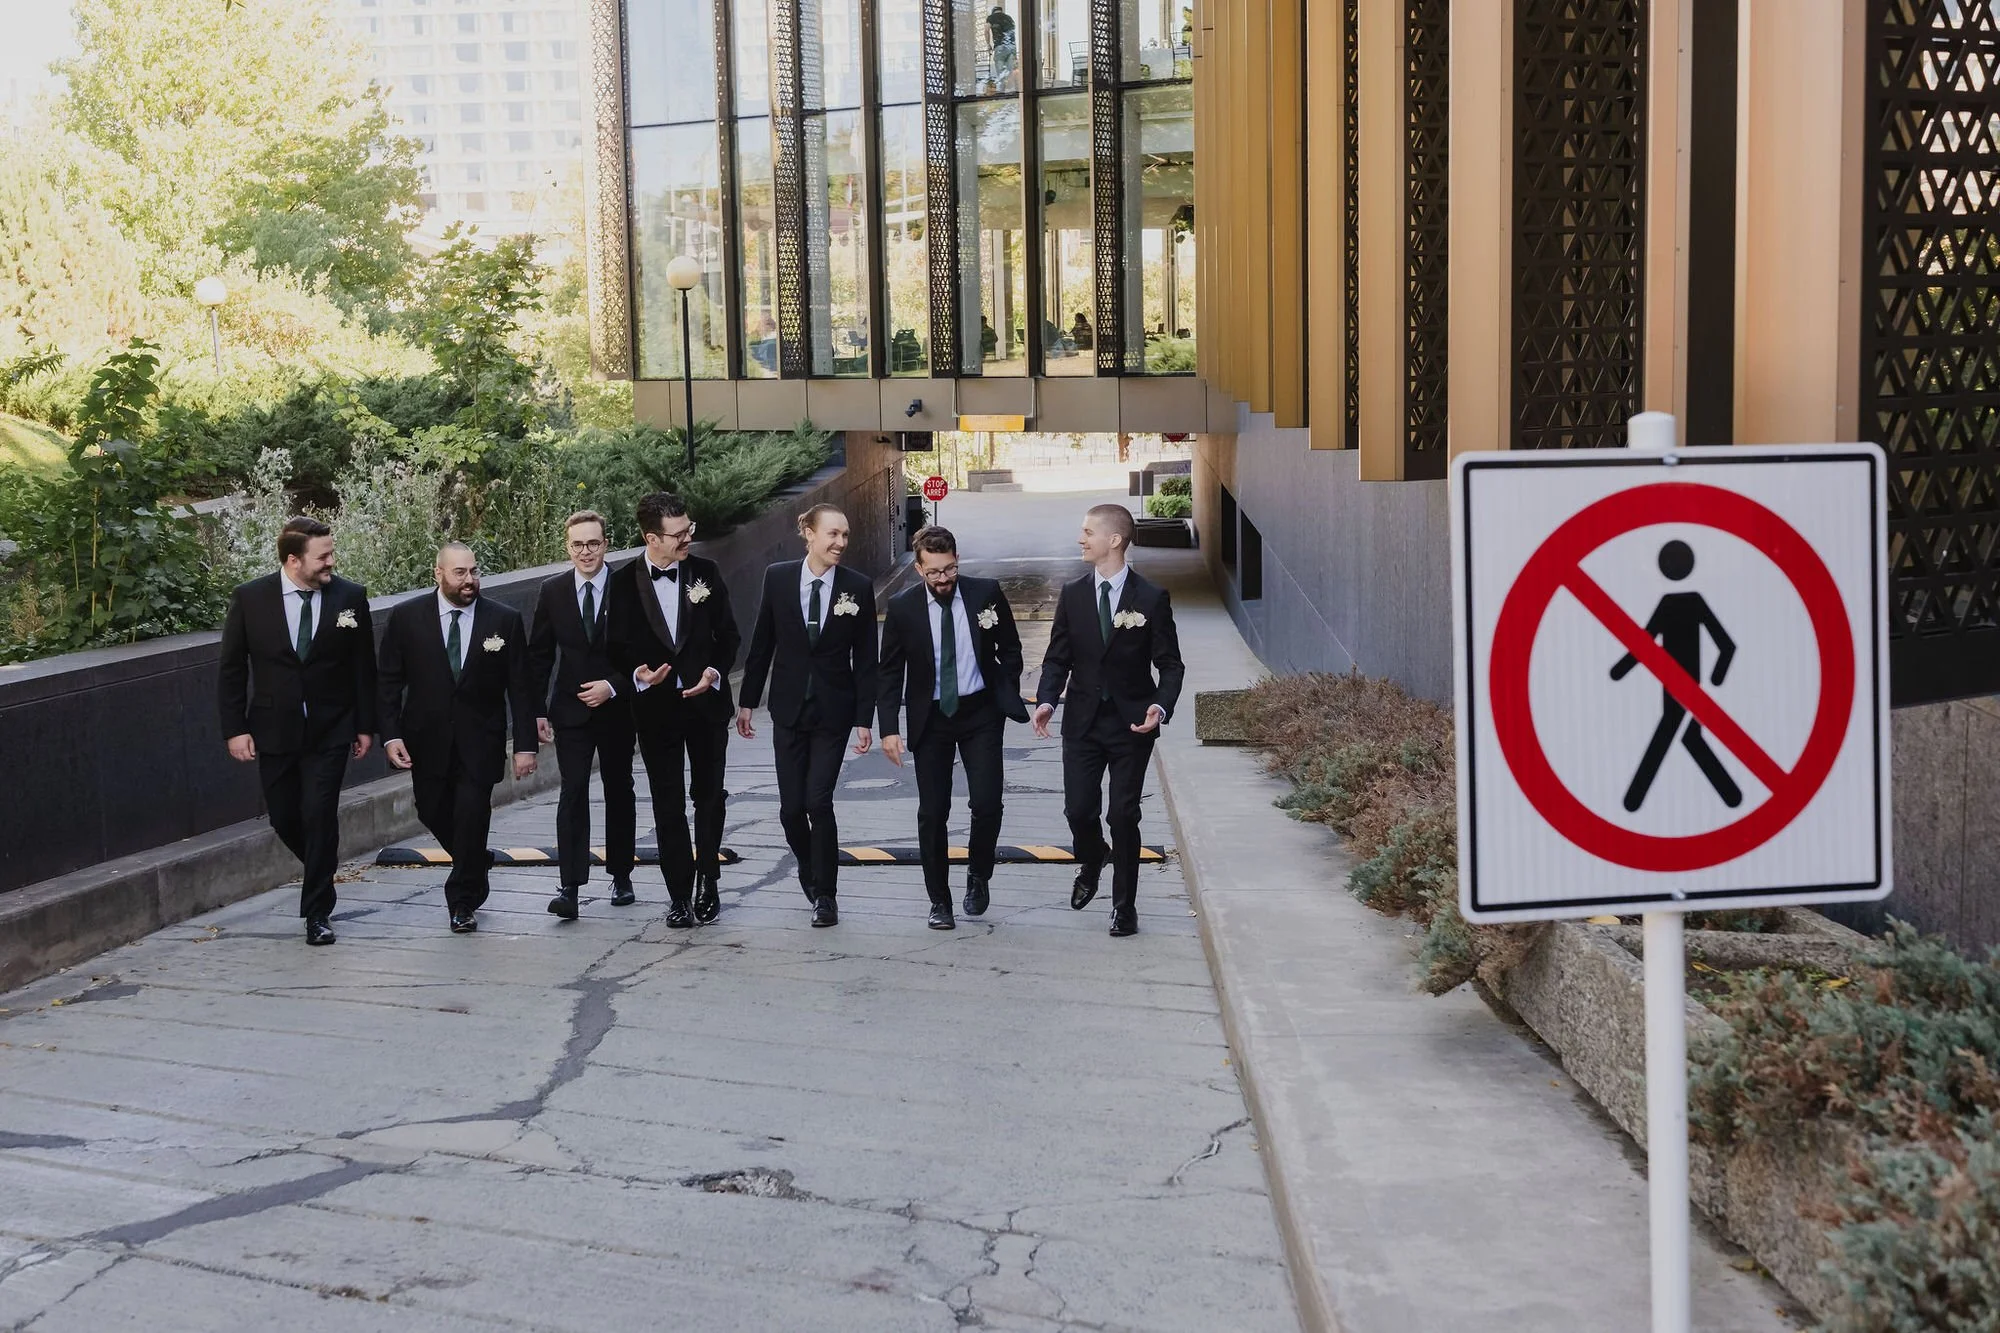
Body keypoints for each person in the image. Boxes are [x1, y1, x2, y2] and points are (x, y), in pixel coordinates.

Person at [217, 516, 379, 947]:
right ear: (293, 560)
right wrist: (235, 728)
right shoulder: (251, 599)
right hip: (273, 728)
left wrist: (366, 725)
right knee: (284, 815)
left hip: (331, 729)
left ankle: (317, 913)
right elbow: (232, 670)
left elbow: (363, 666)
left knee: (319, 812)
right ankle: (322, 864)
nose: (332, 562)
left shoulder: (350, 597)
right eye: (322, 556)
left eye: (331, 553)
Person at [1032, 504, 1185, 937]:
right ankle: (1094, 854)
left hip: (1131, 726)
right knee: (1079, 809)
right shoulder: (1073, 593)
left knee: (1123, 815)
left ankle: (1124, 907)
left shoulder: (1152, 598)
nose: (1081, 539)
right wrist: (1046, 700)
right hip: (1081, 723)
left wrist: (1160, 706)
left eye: (1087, 532)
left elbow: (1170, 665)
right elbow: (1057, 656)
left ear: (1113, 540)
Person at [380, 544, 538, 934]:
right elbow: (388, 683)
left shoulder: (504, 620)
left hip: (480, 742)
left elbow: (520, 687)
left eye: (474, 572)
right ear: (438, 573)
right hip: (426, 740)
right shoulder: (406, 618)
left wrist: (525, 744)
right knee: (431, 810)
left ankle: (461, 901)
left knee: (471, 813)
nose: (470, 581)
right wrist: (390, 735)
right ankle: (474, 860)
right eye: (460, 573)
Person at [878, 526, 1027, 929]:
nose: (943, 580)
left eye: (950, 570)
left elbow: (1011, 648)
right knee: (933, 811)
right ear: (919, 568)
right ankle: (938, 900)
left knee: (987, 803)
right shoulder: (903, 607)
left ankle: (978, 875)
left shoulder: (985, 593)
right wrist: (888, 728)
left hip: (980, 714)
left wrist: (1003, 687)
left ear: (957, 560)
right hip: (932, 719)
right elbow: (889, 673)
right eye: (934, 573)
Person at [738, 504, 878, 927]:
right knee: (790, 810)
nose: (840, 543)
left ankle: (826, 895)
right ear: (809, 533)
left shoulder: (858, 586)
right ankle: (809, 866)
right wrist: (746, 702)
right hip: (788, 709)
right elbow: (762, 643)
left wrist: (864, 717)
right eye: (833, 534)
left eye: (846, 535)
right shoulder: (778, 578)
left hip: (834, 712)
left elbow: (866, 659)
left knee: (819, 800)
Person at [606, 492, 741, 928]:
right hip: (655, 710)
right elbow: (615, 645)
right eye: (678, 534)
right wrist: (638, 674)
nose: (687, 539)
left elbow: (730, 637)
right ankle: (678, 894)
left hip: (705, 705)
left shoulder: (706, 572)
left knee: (708, 797)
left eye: (689, 530)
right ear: (651, 537)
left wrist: (714, 675)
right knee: (667, 804)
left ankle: (709, 881)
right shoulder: (623, 582)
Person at [528, 510, 637, 921]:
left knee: (619, 789)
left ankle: (621, 875)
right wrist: (536, 711)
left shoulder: (628, 586)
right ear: (567, 546)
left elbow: (645, 650)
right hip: (570, 710)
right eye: (578, 544)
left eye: (593, 543)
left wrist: (613, 685)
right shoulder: (552, 591)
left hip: (616, 707)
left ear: (606, 544)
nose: (586, 551)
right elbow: (539, 656)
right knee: (572, 792)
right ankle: (569, 886)